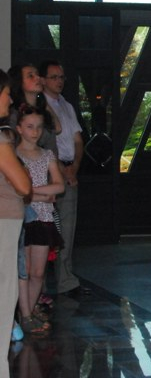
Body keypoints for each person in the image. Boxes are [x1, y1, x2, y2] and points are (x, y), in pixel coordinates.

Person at [15, 105, 65, 333]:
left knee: (37, 272)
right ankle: (25, 314)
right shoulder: (13, 155)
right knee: (23, 270)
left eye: (38, 127)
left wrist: (31, 192)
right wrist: (42, 194)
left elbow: (59, 186)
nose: (35, 132)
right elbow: (16, 190)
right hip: (23, 217)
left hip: (43, 217)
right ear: (19, 128)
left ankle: (29, 309)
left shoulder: (47, 155)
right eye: (29, 127)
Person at [39, 60, 86, 297]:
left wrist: (74, 167)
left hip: (69, 171)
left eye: (61, 77)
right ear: (43, 80)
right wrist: (61, 170)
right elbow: (46, 144)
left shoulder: (66, 106)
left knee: (67, 228)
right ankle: (40, 285)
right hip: (49, 172)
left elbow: (78, 140)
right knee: (43, 229)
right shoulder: (40, 106)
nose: (59, 81)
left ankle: (66, 280)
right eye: (54, 77)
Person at [1, 68, 33, 378]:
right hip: (3, 222)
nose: (10, 100)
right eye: (6, 93)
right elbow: (23, 185)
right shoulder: (0, 140)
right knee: (4, 294)